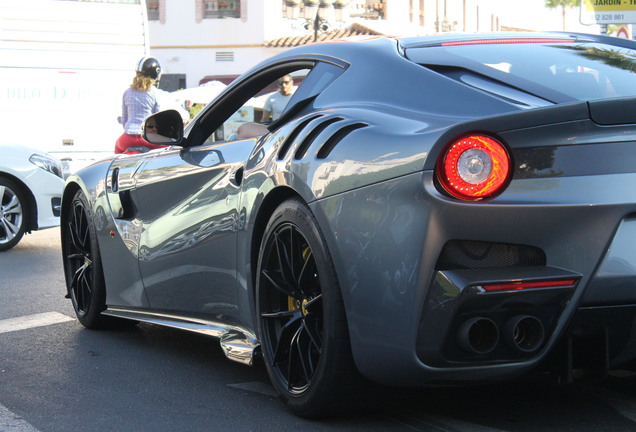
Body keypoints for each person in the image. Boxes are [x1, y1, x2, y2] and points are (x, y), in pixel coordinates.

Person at [115, 56, 168, 154]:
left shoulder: (127, 92)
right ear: (156, 74)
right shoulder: (155, 93)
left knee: (117, 146)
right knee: (170, 149)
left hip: (129, 138)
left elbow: (124, 120)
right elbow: (158, 118)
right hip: (149, 138)